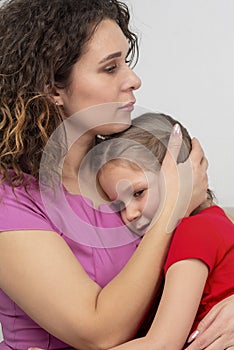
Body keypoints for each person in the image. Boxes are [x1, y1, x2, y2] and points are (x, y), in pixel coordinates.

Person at [0, 0, 232, 349]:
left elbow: (217, 232)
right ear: (52, 88)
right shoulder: (11, 199)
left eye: (126, 62)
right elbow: (97, 333)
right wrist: (174, 204)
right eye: (110, 68)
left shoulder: (119, 168)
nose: (134, 80)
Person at [87, 112, 234, 350]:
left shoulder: (194, 231)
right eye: (118, 205)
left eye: (138, 193)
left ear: (181, 176)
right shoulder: (214, 222)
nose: (130, 214)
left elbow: (162, 344)